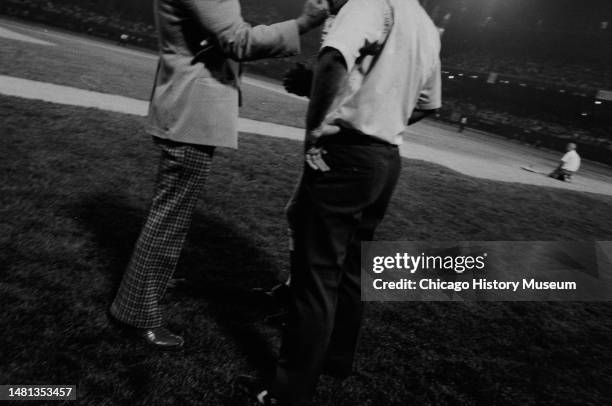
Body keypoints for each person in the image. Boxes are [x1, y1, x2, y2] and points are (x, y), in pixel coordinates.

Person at [238, 0, 442, 404]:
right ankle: (336, 358)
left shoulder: (370, 3)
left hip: (347, 154)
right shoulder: (423, 21)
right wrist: (382, 117)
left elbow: (334, 59)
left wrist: (316, 130)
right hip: (386, 160)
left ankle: (288, 392)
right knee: (350, 270)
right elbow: (428, 104)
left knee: (317, 275)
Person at [108, 0, 330, 350]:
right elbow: (239, 42)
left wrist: (221, 40)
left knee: (169, 217)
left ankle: (144, 293)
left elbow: (219, 36)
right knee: (168, 220)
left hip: (184, 105)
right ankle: (136, 311)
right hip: (191, 110)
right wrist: (304, 22)